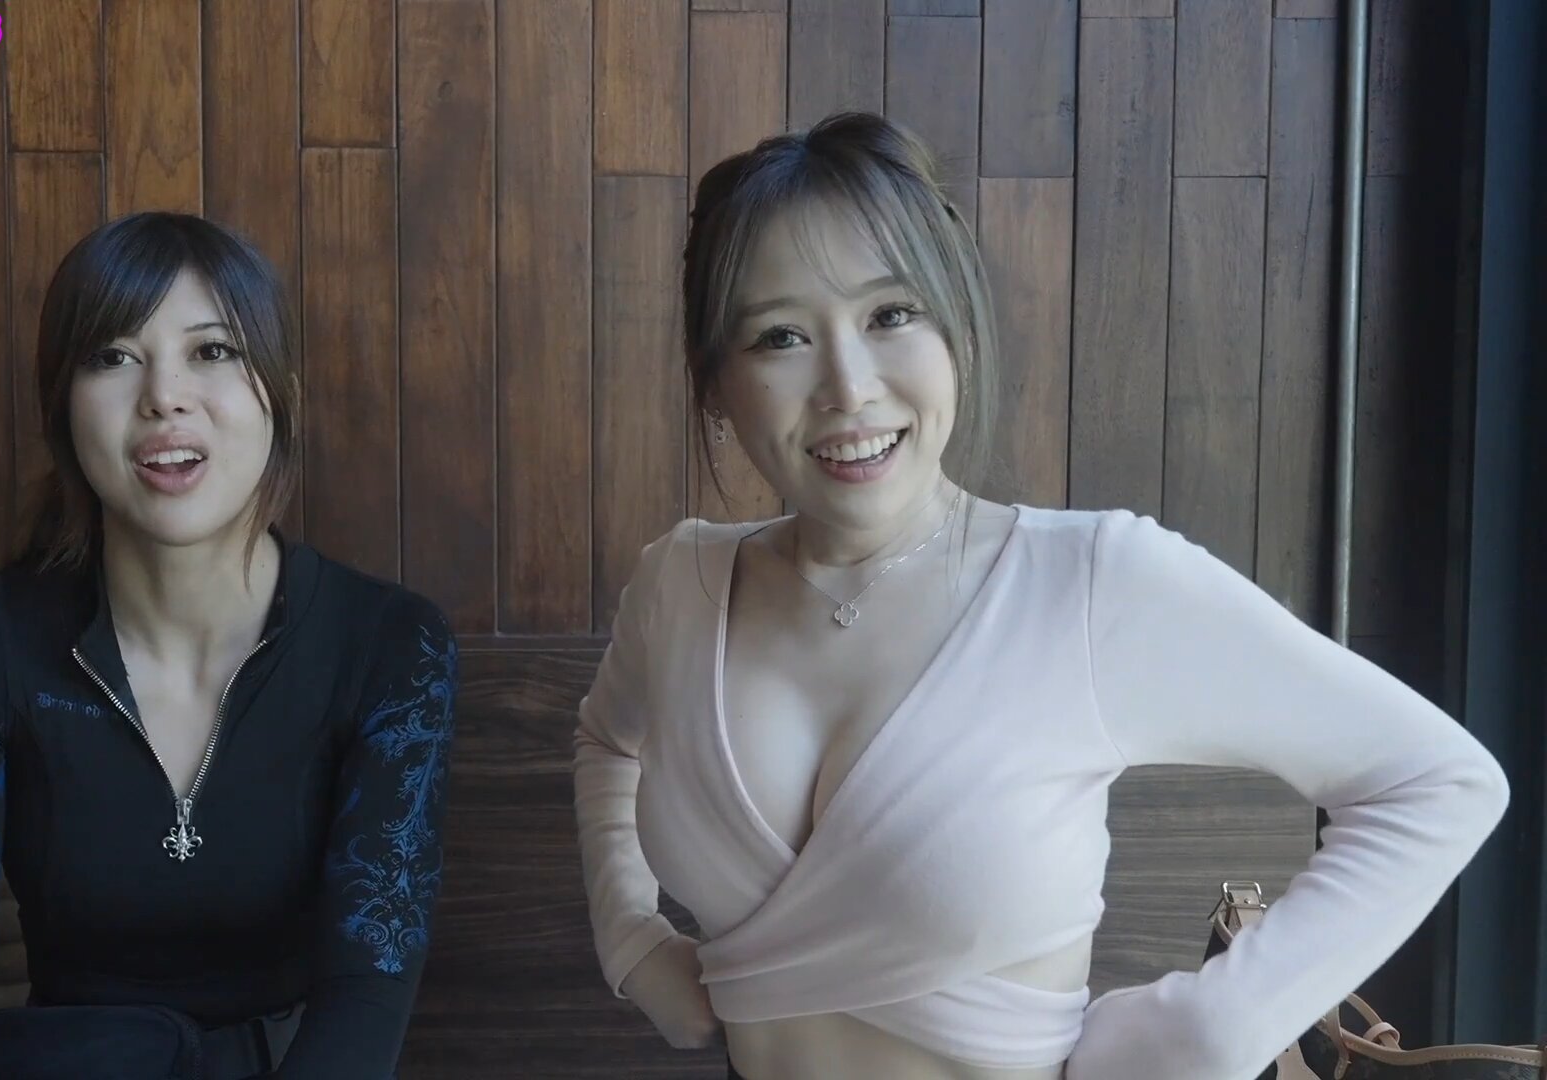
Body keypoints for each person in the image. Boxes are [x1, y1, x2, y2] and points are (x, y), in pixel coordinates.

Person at [570, 112, 1510, 1080]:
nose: (847, 388)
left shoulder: (1090, 585)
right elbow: (606, 738)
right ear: (717, 384)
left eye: (891, 314)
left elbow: (1438, 782)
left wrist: (1211, 1029)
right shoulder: (679, 586)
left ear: (958, 325)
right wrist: (629, 938)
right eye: (781, 336)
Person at [0, 212, 459, 1080]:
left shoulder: (391, 646)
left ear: (279, 392)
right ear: (62, 406)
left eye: (212, 351)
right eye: (113, 356)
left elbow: (363, 1008)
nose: (164, 395)